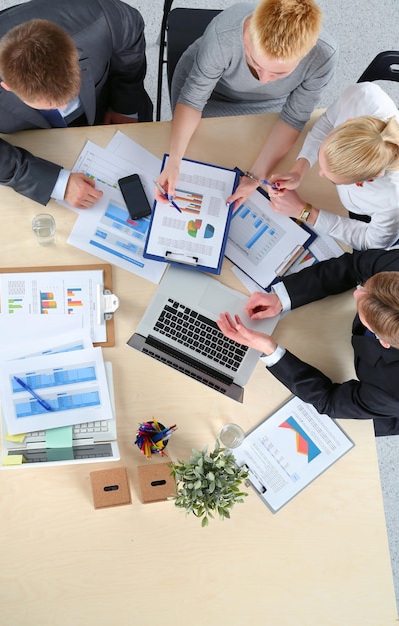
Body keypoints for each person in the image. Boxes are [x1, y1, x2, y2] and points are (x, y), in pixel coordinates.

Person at [0, 0, 153, 209]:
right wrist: (59, 184)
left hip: (104, 103)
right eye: (51, 105)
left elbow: (131, 50)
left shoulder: (106, 20)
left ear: (74, 54)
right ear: (8, 87)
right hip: (35, 139)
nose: (65, 107)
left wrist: (123, 106)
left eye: (70, 95)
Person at [156, 0, 338, 205]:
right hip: (210, 96)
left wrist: (254, 176)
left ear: (309, 49)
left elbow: (294, 117)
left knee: (252, 154)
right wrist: (173, 162)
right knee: (201, 155)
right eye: (255, 64)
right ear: (248, 36)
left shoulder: (323, 55)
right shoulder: (223, 35)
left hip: (270, 105)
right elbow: (192, 99)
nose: (264, 80)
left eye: (279, 73)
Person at [217, 248, 399, 436]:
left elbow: (329, 401)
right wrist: (282, 298)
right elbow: (354, 266)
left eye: (362, 305)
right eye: (363, 288)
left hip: (378, 404)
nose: (356, 294)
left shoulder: (390, 392)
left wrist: (271, 350)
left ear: (384, 342)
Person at [267, 82, 399, 250]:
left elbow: (371, 242)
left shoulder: (394, 201)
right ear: (348, 122)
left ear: (373, 177)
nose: (320, 173)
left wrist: (305, 212)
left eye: (334, 180)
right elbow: (328, 122)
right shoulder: (362, 95)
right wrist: (299, 170)